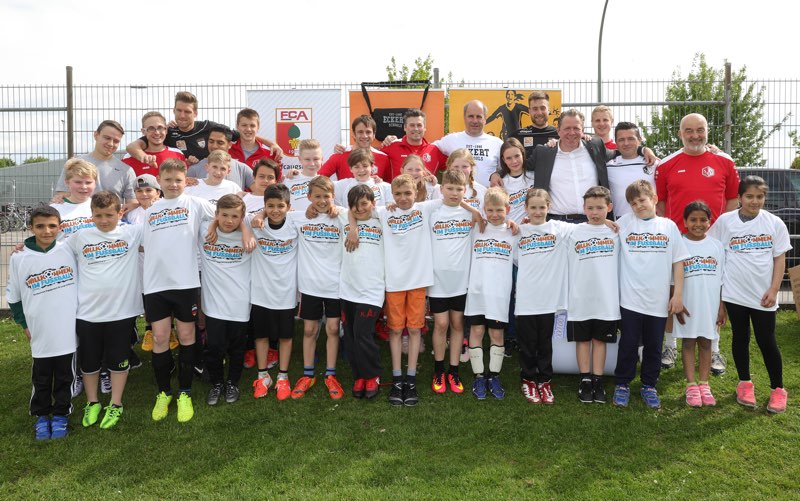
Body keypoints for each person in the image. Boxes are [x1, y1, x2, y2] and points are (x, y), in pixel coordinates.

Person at [142, 158, 252, 423]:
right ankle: (163, 393)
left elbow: (228, 213)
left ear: (185, 181)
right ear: (159, 181)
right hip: (156, 284)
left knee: (188, 335)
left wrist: (237, 228)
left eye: (178, 180)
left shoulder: (195, 202)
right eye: (168, 180)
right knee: (159, 338)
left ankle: (184, 392)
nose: (173, 184)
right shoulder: (150, 210)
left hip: (186, 283)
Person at [655, 112, 740, 375]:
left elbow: (732, 200)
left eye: (700, 130)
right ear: (680, 134)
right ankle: (669, 345)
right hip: (678, 243)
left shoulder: (725, 162)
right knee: (672, 293)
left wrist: (722, 235)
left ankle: (713, 349)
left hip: (714, 243)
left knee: (711, 295)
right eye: (689, 131)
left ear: (707, 131)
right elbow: (659, 204)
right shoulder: (666, 165)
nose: (695, 136)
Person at [708, 175, 791, 414]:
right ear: (740, 197)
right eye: (749, 196)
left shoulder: (774, 223)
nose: (755, 201)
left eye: (760, 196)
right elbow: (716, 255)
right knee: (740, 338)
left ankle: (778, 389)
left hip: (763, 295)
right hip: (734, 294)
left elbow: (779, 259)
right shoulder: (725, 222)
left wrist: (774, 289)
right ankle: (744, 384)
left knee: (767, 341)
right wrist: (720, 301)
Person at [491, 109, 655, 222]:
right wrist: (497, 173)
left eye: (576, 128)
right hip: (556, 222)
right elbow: (519, 165)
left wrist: (643, 149)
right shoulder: (544, 152)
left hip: (592, 221)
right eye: (567, 128)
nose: (571, 133)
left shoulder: (595, 146)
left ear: (583, 130)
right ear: (558, 130)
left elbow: (619, 152)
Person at [67, 191, 143, 429]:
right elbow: (52, 252)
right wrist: (23, 246)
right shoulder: (79, 237)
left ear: (120, 213)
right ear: (91, 214)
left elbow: (165, 233)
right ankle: (92, 402)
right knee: (89, 362)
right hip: (87, 312)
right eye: (98, 215)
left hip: (121, 313)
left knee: (118, 360)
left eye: (109, 215)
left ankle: (116, 403)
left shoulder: (132, 233)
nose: (104, 220)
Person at [612, 181, 689, 410]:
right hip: (630, 299)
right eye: (633, 203)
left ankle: (648, 385)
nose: (638, 206)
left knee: (654, 345)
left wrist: (677, 296)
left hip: (658, 299)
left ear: (654, 198)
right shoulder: (624, 223)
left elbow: (678, 262)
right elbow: (600, 229)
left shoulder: (668, 226)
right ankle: (622, 384)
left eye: (642, 200)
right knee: (628, 343)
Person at [7, 206, 78, 441]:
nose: (46, 231)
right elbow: (15, 298)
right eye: (40, 226)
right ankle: (41, 415)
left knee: (66, 375)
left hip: (67, 327)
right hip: (39, 328)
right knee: (42, 376)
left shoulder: (70, 249)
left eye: (52, 226)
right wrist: (24, 324)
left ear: (60, 227)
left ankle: (60, 415)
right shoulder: (20, 257)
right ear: (31, 228)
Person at [289, 176, 345, 400]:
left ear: (333, 197)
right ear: (309, 197)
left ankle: (331, 374)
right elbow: (270, 213)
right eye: (317, 196)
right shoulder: (300, 217)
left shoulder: (342, 215)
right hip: (310, 285)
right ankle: (307, 374)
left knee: (332, 329)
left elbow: (365, 215)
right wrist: (261, 216)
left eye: (326, 196)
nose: (322, 201)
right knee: (310, 330)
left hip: (335, 285)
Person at [514, 188, 573, 405]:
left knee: (545, 342)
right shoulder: (518, 231)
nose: (537, 212)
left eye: (542, 207)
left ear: (549, 207)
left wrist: (608, 223)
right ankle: (528, 378)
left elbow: (588, 228)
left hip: (550, 299)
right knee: (528, 343)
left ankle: (544, 380)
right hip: (527, 298)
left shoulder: (560, 228)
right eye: (533, 207)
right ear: (526, 208)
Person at [125, 91, 282, 166]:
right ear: (173, 111)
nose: (182, 115)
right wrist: (142, 156)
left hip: (212, 174)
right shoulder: (166, 132)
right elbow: (133, 146)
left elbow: (243, 134)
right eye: (179, 110)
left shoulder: (209, 127)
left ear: (195, 113)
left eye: (187, 111)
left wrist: (271, 144)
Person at [566, 186, 620, 404]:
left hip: (607, 300)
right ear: (583, 208)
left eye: (600, 208)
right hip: (580, 299)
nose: (595, 212)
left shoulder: (618, 230)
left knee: (600, 341)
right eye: (590, 208)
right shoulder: (573, 231)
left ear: (610, 207)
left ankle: (598, 379)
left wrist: (609, 222)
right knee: (583, 340)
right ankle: (585, 379)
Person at [200, 195, 252, 406]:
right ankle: (217, 383)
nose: (229, 220)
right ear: (216, 214)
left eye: (234, 216)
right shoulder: (205, 232)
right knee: (215, 346)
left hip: (239, 301)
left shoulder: (250, 234)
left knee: (238, 346)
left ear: (242, 218)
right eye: (224, 215)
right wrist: (213, 224)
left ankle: (233, 382)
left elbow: (272, 216)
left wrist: (247, 229)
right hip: (213, 304)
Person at [427, 170, 476, 395]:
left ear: (465, 190)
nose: (455, 193)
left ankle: (453, 371)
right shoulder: (432, 212)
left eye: (459, 189)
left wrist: (472, 208)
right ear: (442, 188)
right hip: (437, 280)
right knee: (440, 324)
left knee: (457, 324)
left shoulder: (470, 215)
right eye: (450, 188)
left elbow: (489, 222)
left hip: (461, 280)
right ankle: (438, 369)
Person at [466, 188, 517, 400]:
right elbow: (454, 199)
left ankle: (493, 376)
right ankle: (479, 376)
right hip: (477, 290)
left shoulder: (515, 232)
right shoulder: (477, 228)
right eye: (489, 210)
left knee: (496, 334)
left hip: (499, 293)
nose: (494, 214)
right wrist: (474, 212)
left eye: (499, 210)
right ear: (483, 210)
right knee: (476, 331)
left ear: (507, 209)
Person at [673, 201, 726, 407]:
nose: (698, 224)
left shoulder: (716, 246)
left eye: (703, 220)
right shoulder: (679, 243)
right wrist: (676, 302)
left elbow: (721, 279)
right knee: (688, 342)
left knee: (706, 342)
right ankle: (691, 385)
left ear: (709, 221)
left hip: (710, 304)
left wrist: (721, 306)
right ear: (685, 221)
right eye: (693, 219)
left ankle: (704, 384)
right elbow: (672, 278)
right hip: (686, 303)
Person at [250, 184, 299, 400]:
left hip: (286, 292)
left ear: (289, 207)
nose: (275, 210)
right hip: (261, 291)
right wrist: (258, 215)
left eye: (280, 206)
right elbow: (228, 215)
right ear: (264, 206)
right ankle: (263, 376)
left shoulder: (296, 222)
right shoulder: (254, 222)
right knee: (261, 336)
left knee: (285, 337)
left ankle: (282, 377)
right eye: (270, 206)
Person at [341, 185, 385, 399]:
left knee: (363, 333)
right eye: (355, 206)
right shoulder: (345, 218)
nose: (359, 209)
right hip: (347, 288)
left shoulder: (381, 218)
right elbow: (334, 208)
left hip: (372, 289)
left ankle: (373, 374)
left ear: (373, 203)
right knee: (349, 336)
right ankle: (359, 375)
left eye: (364, 204)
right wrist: (352, 226)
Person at [55, 120, 136, 210]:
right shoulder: (74, 164)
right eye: (107, 138)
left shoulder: (126, 170)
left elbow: (133, 203)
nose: (111, 144)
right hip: (79, 221)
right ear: (96, 135)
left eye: (116, 141)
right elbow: (61, 195)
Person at [435, 100, 503, 187]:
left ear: (485, 118)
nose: (475, 121)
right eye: (471, 116)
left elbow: (508, 169)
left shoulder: (497, 143)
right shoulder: (451, 139)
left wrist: (497, 174)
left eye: (479, 116)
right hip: (456, 197)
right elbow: (428, 151)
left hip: (487, 198)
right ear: (464, 117)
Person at [381, 109, 446, 181]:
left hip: (426, 192)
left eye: (419, 125)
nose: (416, 128)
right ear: (405, 127)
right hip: (395, 192)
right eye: (412, 125)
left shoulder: (435, 150)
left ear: (424, 128)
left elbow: (455, 167)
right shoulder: (391, 146)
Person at [606, 122, 654, 218]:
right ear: (616, 142)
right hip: (621, 224)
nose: (626, 143)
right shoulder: (608, 167)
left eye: (631, 139)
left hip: (650, 222)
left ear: (639, 140)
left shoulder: (653, 163)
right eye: (621, 140)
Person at [186, 125, 254, 190]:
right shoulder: (194, 169)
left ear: (229, 145)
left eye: (220, 142)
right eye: (211, 141)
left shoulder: (242, 169)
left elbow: (260, 191)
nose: (214, 146)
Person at [321, 115, 390, 180]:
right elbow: (318, 179)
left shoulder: (383, 158)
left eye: (368, 132)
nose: (364, 136)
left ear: (374, 135)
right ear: (354, 134)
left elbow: (390, 187)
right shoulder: (340, 155)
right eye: (360, 132)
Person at [122, 111, 186, 177]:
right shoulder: (129, 157)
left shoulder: (178, 154)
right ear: (144, 131)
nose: (157, 132)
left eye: (160, 127)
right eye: (151, 128)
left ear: (166, 130)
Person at [52, 158, 97, 242]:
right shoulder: (55, 209)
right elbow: (42, 240)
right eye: (78, 182)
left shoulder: (101, 207)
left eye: (88, 182)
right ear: (67, 182)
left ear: (95, 183)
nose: (83, 187)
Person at [509, 91, 559, 156]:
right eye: (535, 109)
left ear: (548, 110)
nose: (539, 113)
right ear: (529, 111)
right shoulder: (517, 136)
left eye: (542, 108)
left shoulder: (559, 135)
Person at [283, 139, 324, 213]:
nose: (312, 164)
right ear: (300, 159)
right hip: (295, 223)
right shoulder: (289, 180)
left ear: (322, 159)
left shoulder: (326, 183)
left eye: (316, 159)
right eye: (307, 159)